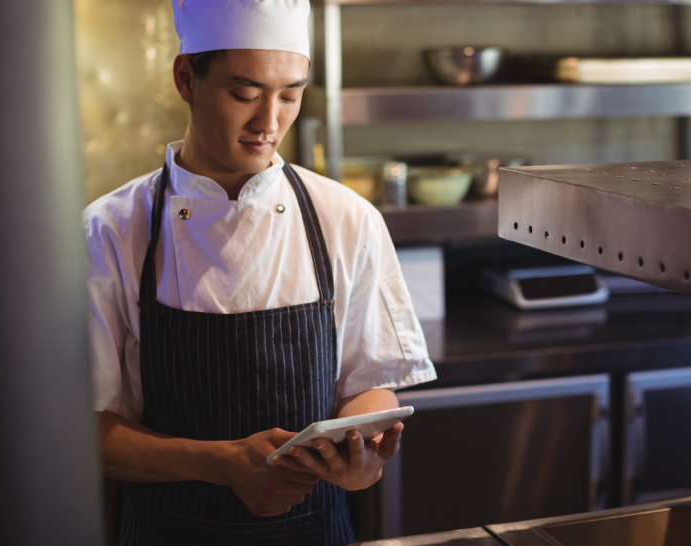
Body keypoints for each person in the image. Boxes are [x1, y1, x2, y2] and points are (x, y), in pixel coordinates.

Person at [83, 1, 437, 543]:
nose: (269, 123)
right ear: (187, 78)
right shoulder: (111, 231)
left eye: (290, 95)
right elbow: (85, 431)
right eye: (244, 94)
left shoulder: (346, 219)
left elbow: (371, 387)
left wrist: (363, 458)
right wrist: (222, 464)